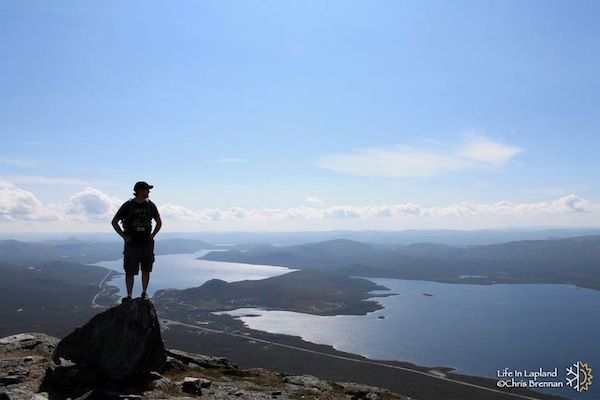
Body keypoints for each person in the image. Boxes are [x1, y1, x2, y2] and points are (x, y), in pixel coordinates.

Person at [111, 181, 162, 303]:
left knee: (146, 269)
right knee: (130, 271)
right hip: (132, 244)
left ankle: (144, 293)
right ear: (139, 190)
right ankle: (129, 296)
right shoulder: (128, 205)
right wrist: (124, 236)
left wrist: (153, 234)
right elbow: (114, 222)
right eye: (146, 189)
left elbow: (159, 222)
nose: (148, 192)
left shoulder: (151, 205)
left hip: (146, 243)